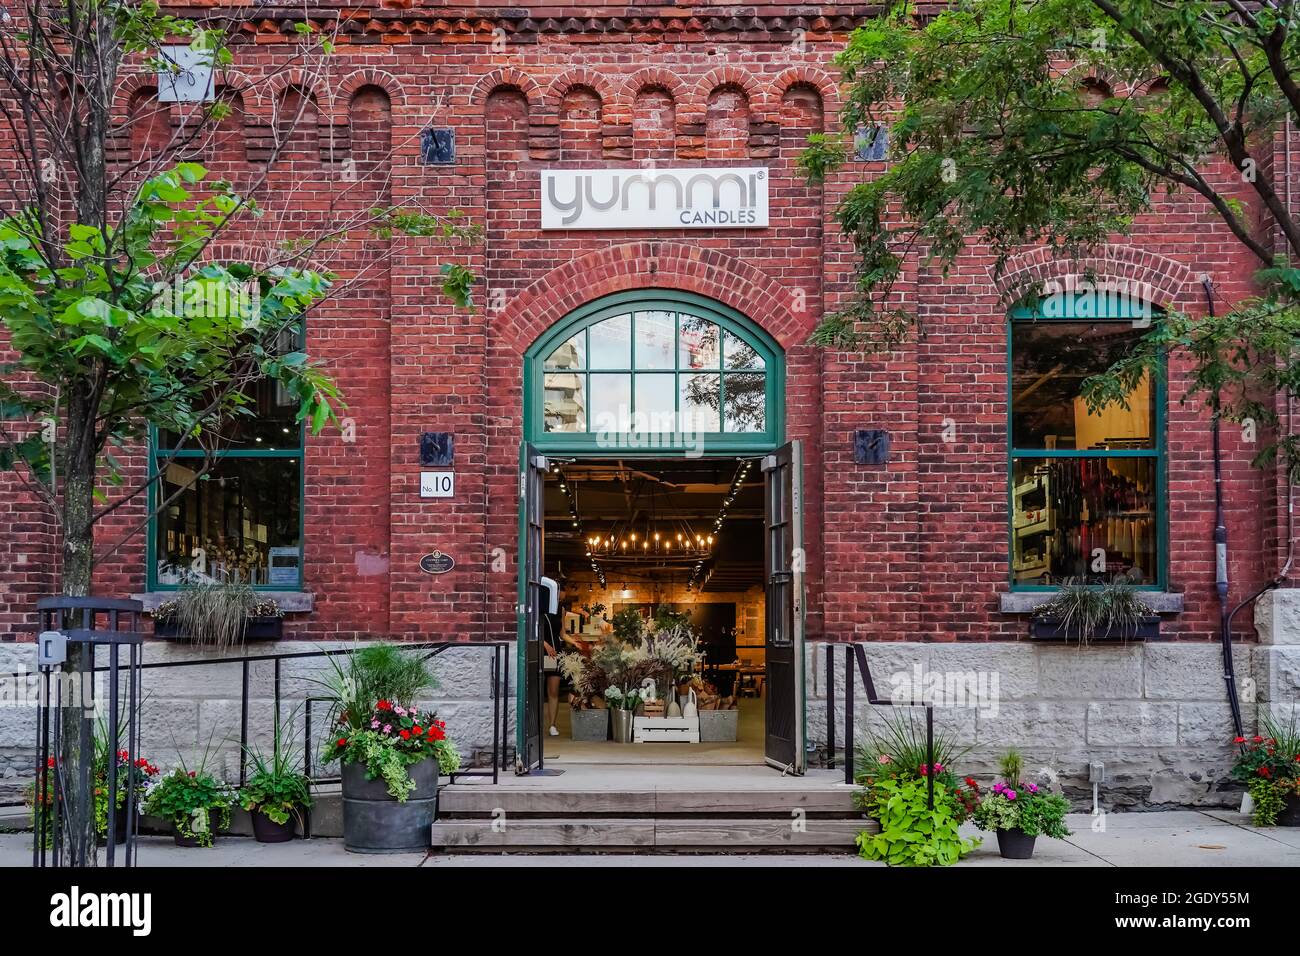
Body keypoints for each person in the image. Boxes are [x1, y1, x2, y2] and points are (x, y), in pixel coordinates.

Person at [542, 585, 567, 737]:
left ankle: (552, 725)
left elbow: (562, 633)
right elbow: (531, 631)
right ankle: (534, 726)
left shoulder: (561, 609)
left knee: (553, 690)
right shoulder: (539, 607)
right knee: (535, 692)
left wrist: (576, 642)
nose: (560, 599)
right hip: (538, 652)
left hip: (555, 654)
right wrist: (544, 644)